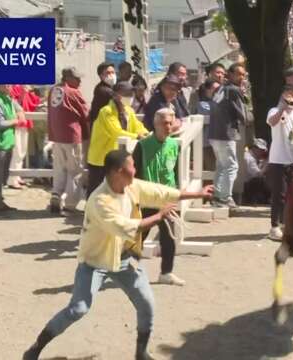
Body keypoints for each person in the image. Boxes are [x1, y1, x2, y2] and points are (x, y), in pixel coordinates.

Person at [22, 149, 214, 360]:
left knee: (146, 304)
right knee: (78, 309)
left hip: (124, 259)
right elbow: (126, 228)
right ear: (118, 172)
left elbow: (160, 192)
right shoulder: (100, 201)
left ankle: (141, 353)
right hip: (94, 262)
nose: (136, 169)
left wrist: (198, 193)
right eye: (132, 166)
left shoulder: (131, 186)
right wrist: (159, 216)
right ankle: (36, 348)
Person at [132, 108, 185, 285]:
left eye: (170, 123)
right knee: (139, 235)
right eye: (164, 123)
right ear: (155, 124)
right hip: (147, 197)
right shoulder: (142, 146)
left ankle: (166, 272)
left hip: (167, 197)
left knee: (169, 236)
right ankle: (125, 268)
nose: (168, 126)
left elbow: (174, 171)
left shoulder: (173, 145)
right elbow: (133, 172)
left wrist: (177, 192)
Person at [87, 81, 149, 197]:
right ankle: (89, 214)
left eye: (131, 93)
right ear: (116, 95)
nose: (130, 96)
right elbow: (116, 132)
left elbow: (137, 126)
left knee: (112, 190)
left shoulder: (129, 110)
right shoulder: (106, 111)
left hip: (115, 158)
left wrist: (145, 133)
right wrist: (137, 136)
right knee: (95, 191)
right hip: (100, 158)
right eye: (126, 93)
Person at [47, 67, 90, 214]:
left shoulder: (54, 90)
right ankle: (70, 204)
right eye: (77, 78)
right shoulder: (74, 92)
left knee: (59, 169)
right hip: (72, 135)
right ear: (69, 78)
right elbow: (85, 113)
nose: (79, 81)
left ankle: (56, 194)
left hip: (57, 136)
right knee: (74, 171)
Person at [266, 84, 293, 240]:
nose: (291, 100)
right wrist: (282, 108)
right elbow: (273, 122)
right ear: (281, 96)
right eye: (288, 97)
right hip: (278, 159)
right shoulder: (274, 111)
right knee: (279, 194)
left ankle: (287, 224)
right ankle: (274, 227)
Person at [208, 63, 248, 208]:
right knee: (231, 166)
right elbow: (243, 115)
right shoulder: (234, 90)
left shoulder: (220, 89)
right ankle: (225, 197)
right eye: (239, 74)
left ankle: (217, 196)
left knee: (221, 165)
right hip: (226, 133)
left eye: (243, 74)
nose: (241, 77)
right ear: (229, 74)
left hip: (213, 132)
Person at [0, 85, 29, 213]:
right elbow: (0, 124)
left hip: (6, 143)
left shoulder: (6, 97)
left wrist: (20, 114)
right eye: (6, 83)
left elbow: (18, 107)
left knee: (2, 176)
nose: (9, 85)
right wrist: (16, 121)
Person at [7, 85, 37, 189]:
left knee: (22, 152)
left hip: (25, 124)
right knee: (17, 151)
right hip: (16, 125)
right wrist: (23, 94)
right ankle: (12, 179)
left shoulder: (25, 87)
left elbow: (33, 103)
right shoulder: (13, 87)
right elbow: (13, 106)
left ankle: (17, 176)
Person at [194, 79, 221, 172]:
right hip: (208, 145)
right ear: (207, 90)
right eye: (215, 89)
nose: (218, 91)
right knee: (212, 171)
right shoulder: (202, 104)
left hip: (221, 143)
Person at [89, 62, 117, 128]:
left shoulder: (106, 87)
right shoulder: (104, 90)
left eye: (113, 72)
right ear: (101, 76)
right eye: (108, 73)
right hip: (103, 128)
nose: (112, 75)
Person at [243, 138, 269, 205]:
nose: (262, 152)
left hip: (247, 183)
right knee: (260, 180)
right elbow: (258, 174)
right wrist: (266, 165)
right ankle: (252, 200)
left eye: (263, 150)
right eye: (260, 150)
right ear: (254, 148)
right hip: (245, 186)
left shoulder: (252, 157)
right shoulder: (250, 158)